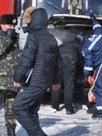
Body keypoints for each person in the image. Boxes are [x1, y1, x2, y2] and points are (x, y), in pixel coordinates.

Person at [12, 7, 62, 136]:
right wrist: (56, 81)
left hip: (34, 81)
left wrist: (17, 78)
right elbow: (58, 62)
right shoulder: (51, 37)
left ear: (33, 20)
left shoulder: (34, 36)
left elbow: (26, 60)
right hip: (45, 81)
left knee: (18, 108)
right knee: (32, 110)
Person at [81, 13, 102, 118]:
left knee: (101, 89)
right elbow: (98, 28)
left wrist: (85, 74)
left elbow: (88, 64)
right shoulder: (98, 35)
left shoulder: (86, 47)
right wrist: (94, 19)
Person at [51, 36, 83, 114]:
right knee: (68, 85)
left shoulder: (65, 44)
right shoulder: (78, 46)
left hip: (57, 60)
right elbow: (79, 60)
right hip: (69, 60)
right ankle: (69, 108)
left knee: (57, 83)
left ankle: (54, 106)